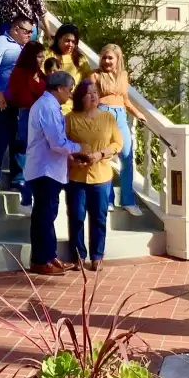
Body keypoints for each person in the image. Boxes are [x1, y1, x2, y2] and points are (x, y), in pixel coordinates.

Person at [24, 71, 84, 276]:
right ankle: (41, 260)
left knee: (48, 214)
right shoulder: (48, 107)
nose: (70, 94)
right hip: (44, 169)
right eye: (69, 89)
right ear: (59, 88)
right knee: (43, 215)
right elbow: (57, 142)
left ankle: (49, 256)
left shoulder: (48, 105)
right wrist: (79, 148)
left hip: (49, 169)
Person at [65, 79, 124, 271]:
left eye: (95, 93)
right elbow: (62, 144)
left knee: (99, 217)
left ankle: (97, 255)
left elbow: (117, 143)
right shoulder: (70, 118)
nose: (93, 96)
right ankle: (78, 256)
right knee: (77, 216)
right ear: (80, 98)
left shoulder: (108, 118)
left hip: (101, 175)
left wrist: (100, 154)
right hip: (77, 176)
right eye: (89, 93)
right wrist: (73, 158)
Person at [0, 16, 33, 195]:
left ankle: (18, 179)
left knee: (19, 143)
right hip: (2, 102)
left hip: (22, 104)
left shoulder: (27, 49)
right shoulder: (0, 43)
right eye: (26, 31)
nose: (29, 35)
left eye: (31, 32)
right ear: (15, 29)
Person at [92, 44, 146, 215]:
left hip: (121, 116)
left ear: (118, 59)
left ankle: (128, 201)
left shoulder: (123, 76)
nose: (106, 61)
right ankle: (107, 200)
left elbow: (125, 100)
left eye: (110, 58)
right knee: (105, 158)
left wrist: (138, 113)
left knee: (127, 156)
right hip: (103, 114)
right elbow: (90, 99)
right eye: (104, 57)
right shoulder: (95, 75)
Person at [7, 41, 48, 211]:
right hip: (25, 114)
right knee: (24, 148)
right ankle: (22, 188)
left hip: (41, 117)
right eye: (38, 57)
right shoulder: (20, 72)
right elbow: (19, 97)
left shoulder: (41, 74)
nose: (41, 60)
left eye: (43, 57)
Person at [50, 24, 93, 115]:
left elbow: (88, 82)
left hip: (73, 109)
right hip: (51, 107)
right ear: (58, 39)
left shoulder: (80, 59)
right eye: (67, 41)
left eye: (73, 42)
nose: (70, 45)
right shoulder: (48, 55)